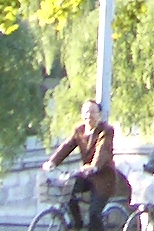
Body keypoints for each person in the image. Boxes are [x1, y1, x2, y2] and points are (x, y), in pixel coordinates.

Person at [46, 99, 119, 231]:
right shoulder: (79, 130)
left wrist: (94, 166)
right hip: (87, 175)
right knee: (66, 192)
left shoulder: (106, 130)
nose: (89, 115)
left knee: (94, 215)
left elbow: (102, 150)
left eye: (93, 112)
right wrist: (52, 162)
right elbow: (67, 146)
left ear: (99, 115)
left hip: (104, 179)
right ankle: (77, 224)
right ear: (82, 114)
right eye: (86, 112)